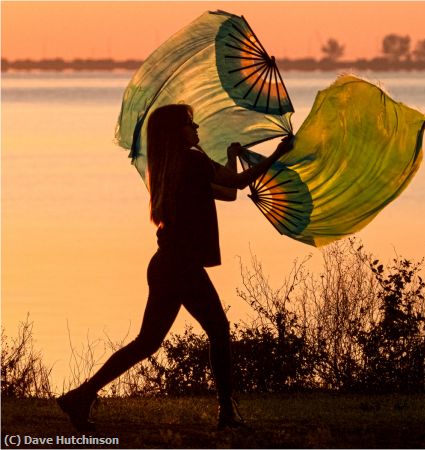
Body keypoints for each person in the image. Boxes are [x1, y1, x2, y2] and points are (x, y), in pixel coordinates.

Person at [57, 104, 293, 431]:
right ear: (175, 132)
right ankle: (226, 413)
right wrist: (278, 153)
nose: (196, 128)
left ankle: (79, 396)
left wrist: (232, 157)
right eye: (189, 124)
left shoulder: (169, 166)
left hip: (166, 264)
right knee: (217, 331)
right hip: (181, 266)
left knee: (147, 342)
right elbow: (237, 185)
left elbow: (226, 192)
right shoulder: (193, 161)